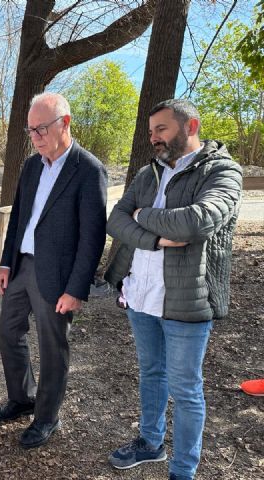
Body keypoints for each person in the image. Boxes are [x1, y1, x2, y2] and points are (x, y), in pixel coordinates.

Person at [105, 99, 242, 480]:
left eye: (161, 129)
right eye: (151, 132)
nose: (154, 139)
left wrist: (141, 217)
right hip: (141, 293)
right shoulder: (148, 174)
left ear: (191, 125)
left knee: (185, 389)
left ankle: (182, 472)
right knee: (151, 373)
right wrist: (156, 239)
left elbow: (197, 222)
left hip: (187, 299)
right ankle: (150, 444)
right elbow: (115, 219)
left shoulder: (224, 171)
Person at [0, 92, 107, 449]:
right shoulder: (31, 166)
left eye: (41, 128)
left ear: (65, 123)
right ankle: (22, 398)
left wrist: (76, 289)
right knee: (9, 333)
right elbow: (19, 219)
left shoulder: (88, 170)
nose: (36, 136)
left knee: (52, 347)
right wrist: (6, 261)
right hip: (22, 266)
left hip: (57, 276)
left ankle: (46, 418)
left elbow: (92, 237)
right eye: (31, 130)